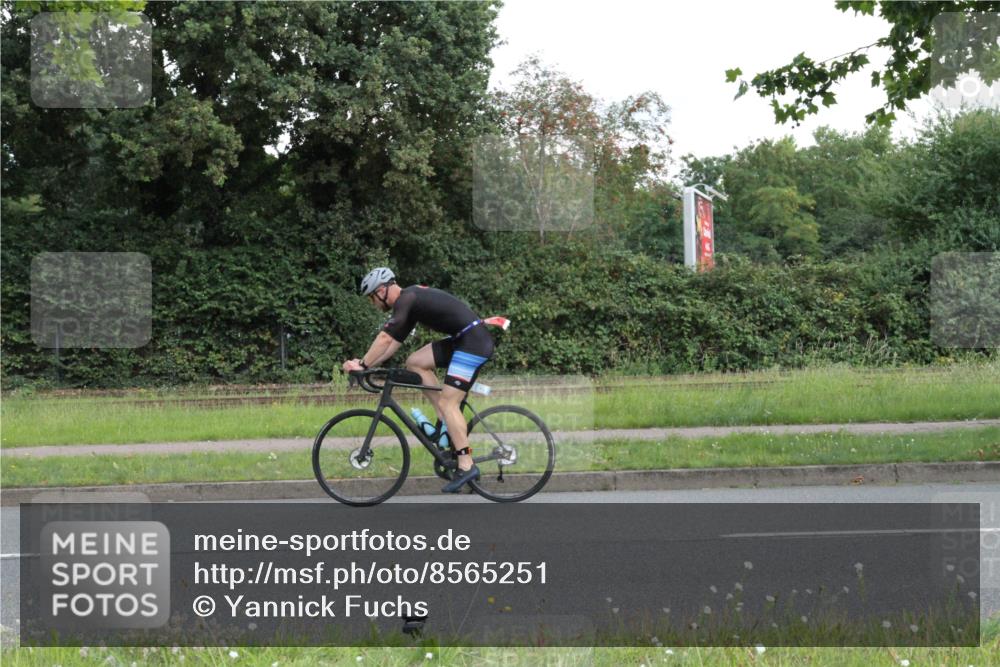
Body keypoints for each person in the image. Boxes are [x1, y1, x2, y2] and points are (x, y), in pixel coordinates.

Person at [341, 267, 494, 493]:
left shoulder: (407, 299)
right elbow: (391, 344)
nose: (373, 303)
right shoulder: (409, 304)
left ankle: (466, 465)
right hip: (462, 340)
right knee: (415, 362)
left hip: (473, 344)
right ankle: (444, 419)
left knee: (449, 403)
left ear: (382, 291)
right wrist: (367, 365)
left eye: (372, 298)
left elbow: (384, 338)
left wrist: (362, 365)